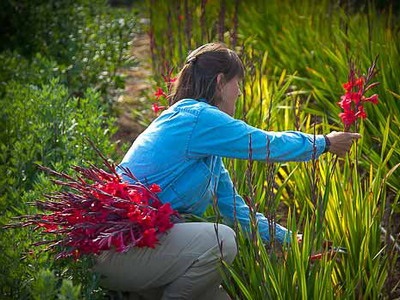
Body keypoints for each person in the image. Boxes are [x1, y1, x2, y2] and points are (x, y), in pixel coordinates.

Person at [94, 42, 361, 299]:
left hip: (132, 249)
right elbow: (266, 144)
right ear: (220, 82)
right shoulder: (197, 117)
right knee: (220, 241)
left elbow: (236, 210)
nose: (240, 93)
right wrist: (324, 143)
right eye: (238, 84)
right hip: (116, 251)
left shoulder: (202, 145)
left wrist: (293, 240)